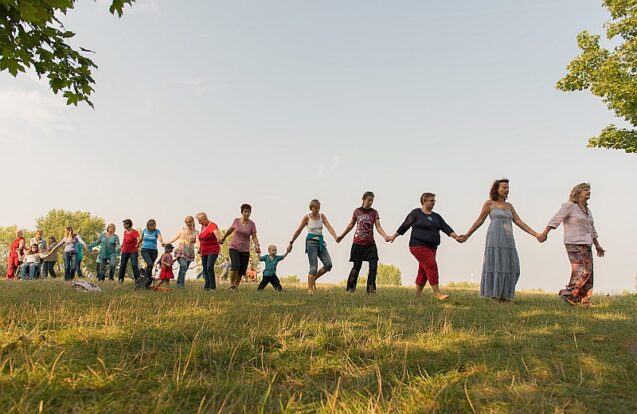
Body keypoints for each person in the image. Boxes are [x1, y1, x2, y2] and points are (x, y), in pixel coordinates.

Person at [461, 179, 543, 302]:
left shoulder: (509, 206)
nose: (507, 190)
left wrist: (536, 234)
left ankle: (505, 295)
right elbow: (479, 220)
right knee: (495, 264)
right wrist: (467, 234)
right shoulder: (489, 203)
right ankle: (495, 295)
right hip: (494, 238)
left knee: (512, 266)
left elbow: (519, 221)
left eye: (508, 188)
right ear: (496, 189)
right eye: (504, 187)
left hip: (508, 240)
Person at [538, 183, 605, 307]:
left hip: (587, 243)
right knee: (584, 270)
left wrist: (597, 245)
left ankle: (583, 301)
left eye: (589, 190)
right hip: (574, 243)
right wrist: (544, 233)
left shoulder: (587, 210)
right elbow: (555, 219)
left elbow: (592, 228)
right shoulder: (569, 206)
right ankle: (568, 293)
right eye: (585, 190)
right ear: (578, 192)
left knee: (589, 274)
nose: (588, 192)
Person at [388, 193, 462, 300]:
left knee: (423, 271)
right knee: (431, 265)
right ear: (424, 201)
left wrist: (456, 237)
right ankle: (437, 294)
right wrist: (393, 236)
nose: (433, 203)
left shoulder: (436, 216)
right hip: (418, 246)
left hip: (432, 247)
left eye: (434, 201)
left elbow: (445, 227)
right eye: (431, 201)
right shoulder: (416, 213)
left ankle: (417, 297)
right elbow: (405, 225)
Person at [336, 191, 391, 294]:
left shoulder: (374, 212)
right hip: (357, 244)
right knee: (356, 267)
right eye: (369, 200)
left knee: (373, 266)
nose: (370, 202)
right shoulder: (357, 211)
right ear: (363, 199)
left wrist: (385, 236)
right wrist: (342, 236)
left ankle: (371, 289)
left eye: (372, 201)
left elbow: (378, 226)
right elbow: (351, 225)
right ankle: (351, 289)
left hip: (370, 245)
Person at [288, 199, 339, 294]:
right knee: (313, 267)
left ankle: (314, 279)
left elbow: (329, 227)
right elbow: (299, 230)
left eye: (319, 208)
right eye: (316, 208)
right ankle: (310, 289)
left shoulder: (322, 216)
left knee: (328, 264)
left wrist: (335, 237)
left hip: (320, 242)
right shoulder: (307, 218)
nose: (317, 210)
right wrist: (291, 242)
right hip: (311, 243)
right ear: (311, 208)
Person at [220, 204, 261, 290]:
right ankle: (231, 284)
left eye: (248, 212)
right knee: (236, 266)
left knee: (242, 270)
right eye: (245, 211)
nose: (247, 213)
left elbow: (254, 236)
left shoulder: (252, 224)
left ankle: (235, 286)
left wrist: (257, 245)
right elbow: (231, 230)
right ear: (242, 212)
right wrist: (224, 237)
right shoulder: (236, 221)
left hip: (245, 249)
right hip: (234, 247)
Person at [165, 216, 199, 288]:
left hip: (189, 252)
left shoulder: (196, 232)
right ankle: (180, 285)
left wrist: (200, 249)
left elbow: (198, 242)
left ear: (193, 222)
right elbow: (175, 238)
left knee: (184, 269)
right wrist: (167, 243)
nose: (188, 224)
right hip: (180, 251)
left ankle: (179, 282)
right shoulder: (182, 230)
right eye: (187, 222)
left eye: (189, 222)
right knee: (183, 266)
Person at [196, 212, 221, 291]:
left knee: (209, 267)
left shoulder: (213, 226)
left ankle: (212, 287)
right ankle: (206, 285)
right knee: (205, 269)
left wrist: (218, 239)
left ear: (205, 218)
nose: (199, 223)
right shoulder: (203, 227)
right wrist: (199, 249)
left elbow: (216, 234)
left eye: (200, 221)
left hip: (213, 250)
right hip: (204, 250)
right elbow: (201, 239)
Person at [138, 219, 165, 287]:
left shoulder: (157, 231)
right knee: (149, 264)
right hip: (145, 250)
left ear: (155, 225)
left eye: (153, 225)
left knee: (150, 266)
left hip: (154, 251)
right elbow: (141, 238)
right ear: (148, 225)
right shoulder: (145, 230)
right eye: (150, 225)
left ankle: (147, 282)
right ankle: (146, 280)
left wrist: (161, 242)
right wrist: (137, 244)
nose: (151, 226)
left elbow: (159, 237)